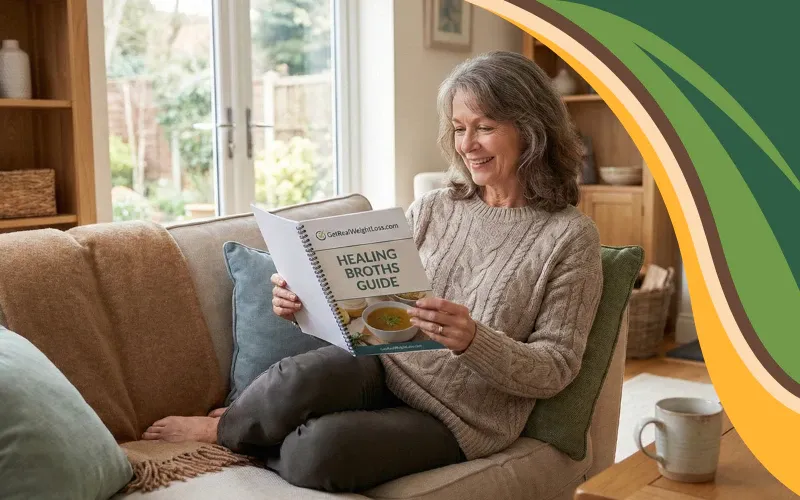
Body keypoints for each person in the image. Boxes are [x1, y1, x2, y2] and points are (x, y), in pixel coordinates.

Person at [142, 50, 603, 492]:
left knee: (317, 453)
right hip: (387, 365)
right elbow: (374, 303)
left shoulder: (570, 237)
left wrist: (473, 340)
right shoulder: (435, 207)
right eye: (460, 128)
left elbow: (555, 368)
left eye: (485, 127)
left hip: (460, 416)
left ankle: (246, 431)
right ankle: (230, 426)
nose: (467, 145)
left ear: (532, 130)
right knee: (293, 379)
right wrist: (303, 299)